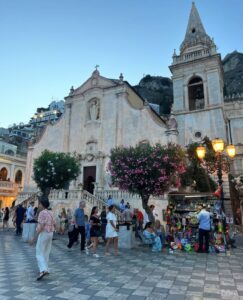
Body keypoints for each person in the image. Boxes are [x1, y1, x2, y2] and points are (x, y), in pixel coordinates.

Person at [35, 195, 55, 280]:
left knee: (39, 252)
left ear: (42, 204)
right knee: (46, 252)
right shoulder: (51, 212)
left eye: (39, 204)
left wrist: (34, 237)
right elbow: (55, 223)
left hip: (43, 233)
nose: (39, 205)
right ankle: (46, 269)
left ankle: (43, 270)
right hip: (50, 233)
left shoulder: (42, 213)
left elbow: (41, 225)